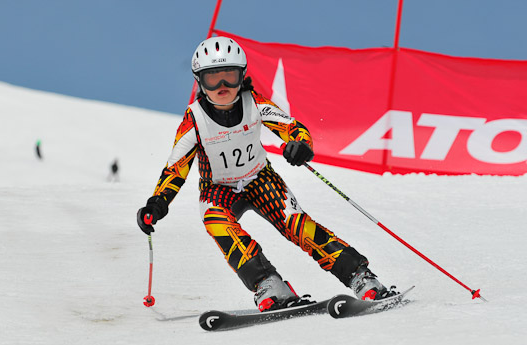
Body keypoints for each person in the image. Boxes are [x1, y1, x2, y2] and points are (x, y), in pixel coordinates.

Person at [137, 36, 397, 312]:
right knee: (217, 223)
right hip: (218, 189)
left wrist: (299, 146)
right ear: (200, 81)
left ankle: (360, 277)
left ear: (242, 77)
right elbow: (175, 168)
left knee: (297, 226)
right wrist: (157, 202)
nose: (223, 86)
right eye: (213, 79)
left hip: (261, 180)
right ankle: (268, 284)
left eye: (230, 77)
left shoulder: (255, 103)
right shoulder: (194, 120)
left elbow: (293, 128)